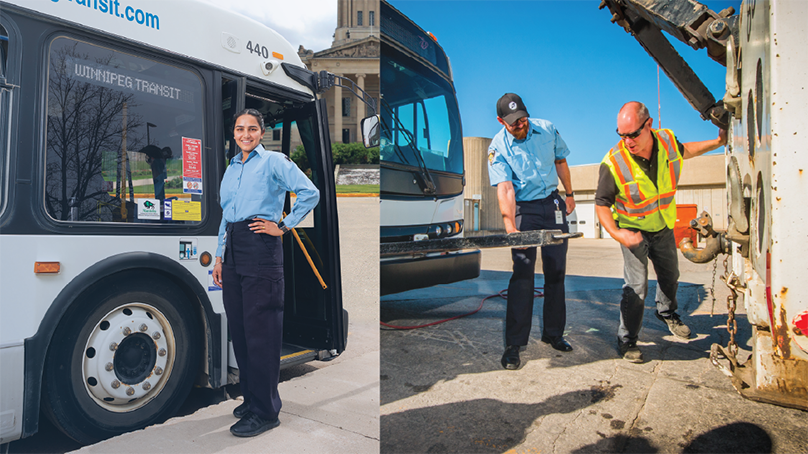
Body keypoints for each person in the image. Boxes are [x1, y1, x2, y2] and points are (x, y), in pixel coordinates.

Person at [211, 108, 319, 436]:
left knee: (262, 332)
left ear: (261, 132)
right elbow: (226, 216)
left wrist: (282, 226)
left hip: (261, 246)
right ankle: (252, 397)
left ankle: (266, 410)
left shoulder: (274, 161)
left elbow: (310, 193)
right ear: (234, 133)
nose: (246, 134)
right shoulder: (231, 168)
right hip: (233, 249)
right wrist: (219, 257)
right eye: (240, 129)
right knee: (242, 330)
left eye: (252, 129)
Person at [595, 101, 727, 363]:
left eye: (633, 134)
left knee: (670, 275)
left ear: (649, 125)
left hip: (663, 226)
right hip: (632, 230)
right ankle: (627, 339)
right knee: (636, 286)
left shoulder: (665, 140)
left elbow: (684, 151)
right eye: (622, 135)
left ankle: (666, 313)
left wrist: (718, 142)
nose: (628, 141)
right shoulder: (613, 162)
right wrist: (618, 234)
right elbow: (601, 205)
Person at [487, 93, 576, 370]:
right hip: (524, 209)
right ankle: (514, 344)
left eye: (523, 119)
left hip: (552, 205)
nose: (521, 125)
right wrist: (510, 225)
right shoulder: (498, 146)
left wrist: (570, 194)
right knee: (523, 275)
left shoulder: (547, 129)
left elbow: (560, 160)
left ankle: (553, 334)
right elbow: (505, 187)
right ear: (502, 121)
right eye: (514, 123)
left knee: (556, 273)